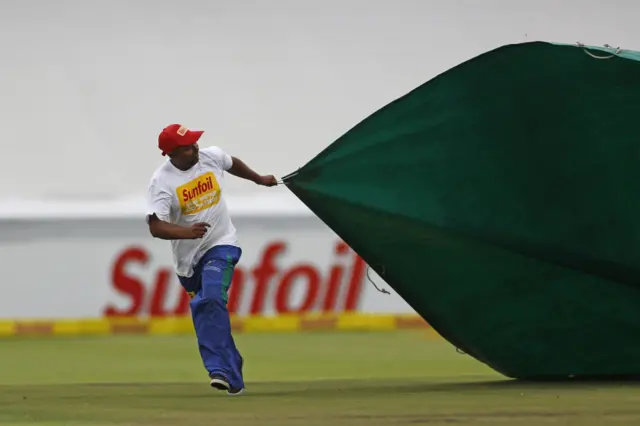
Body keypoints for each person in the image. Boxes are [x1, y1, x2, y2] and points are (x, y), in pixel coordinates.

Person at [145, 123, 277, 396]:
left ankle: (219, 370)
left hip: (222, 244)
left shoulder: (210, 156)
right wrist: (187, 233)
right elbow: (156, 227)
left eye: (194, 142)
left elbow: (231, 163)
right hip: (188, 261)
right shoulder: (162, 183)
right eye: (187, 146)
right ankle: (233, 373)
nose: (194, 147)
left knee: (212, 298)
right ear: (171, 154)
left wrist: (257, 178)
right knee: (207, 307)